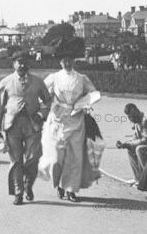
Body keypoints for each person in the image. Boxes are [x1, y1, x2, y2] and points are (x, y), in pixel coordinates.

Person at [37, 43, 100, 202]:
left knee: (74, 156)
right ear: (60, 62)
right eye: (64, 60)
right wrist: (46, 103)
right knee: (57, 156)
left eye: (70, 59)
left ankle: (71, 189)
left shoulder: (81, 78)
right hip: (57, 119)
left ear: (74, 61)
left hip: (76, 118)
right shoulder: (54, 77)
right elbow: (41, 92)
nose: (67, 63)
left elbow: (93, 93)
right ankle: (58, 184)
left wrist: (83, 104)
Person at [0, 51, 52, 205]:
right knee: (16, 160)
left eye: (25, 62)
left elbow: (48, 102)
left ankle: (28, 185)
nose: (22, 64)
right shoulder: (6, 82)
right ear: (14, 64)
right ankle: (18, 192)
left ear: (29, 64)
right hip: (12, 126)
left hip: (33, 125)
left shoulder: (38, 81)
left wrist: (41, 113)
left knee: (33, 159)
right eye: (19, 61)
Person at [116, 104, 147, 183]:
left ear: (137, 111)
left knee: (139, 149)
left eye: (132, 116)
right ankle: (139, 179)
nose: (131, 119)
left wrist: (129, 144)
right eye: (129, 117)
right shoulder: (137, 122)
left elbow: (146, 140)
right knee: (130, 149)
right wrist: (124, 143)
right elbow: (135, 138)